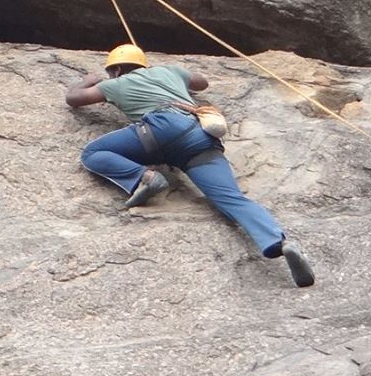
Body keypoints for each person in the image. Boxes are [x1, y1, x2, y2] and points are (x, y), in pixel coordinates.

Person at [65, 43, 314, 287]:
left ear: (116, 70)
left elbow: (74, 99)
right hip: (200, 137)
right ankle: (278, 243)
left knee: (93, 153)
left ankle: (144, 177)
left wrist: (88, 80)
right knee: (231, 198)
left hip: (160, 131)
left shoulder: (115, 84)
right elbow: (201, 82)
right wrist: (174, 79)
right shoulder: (171, 71)